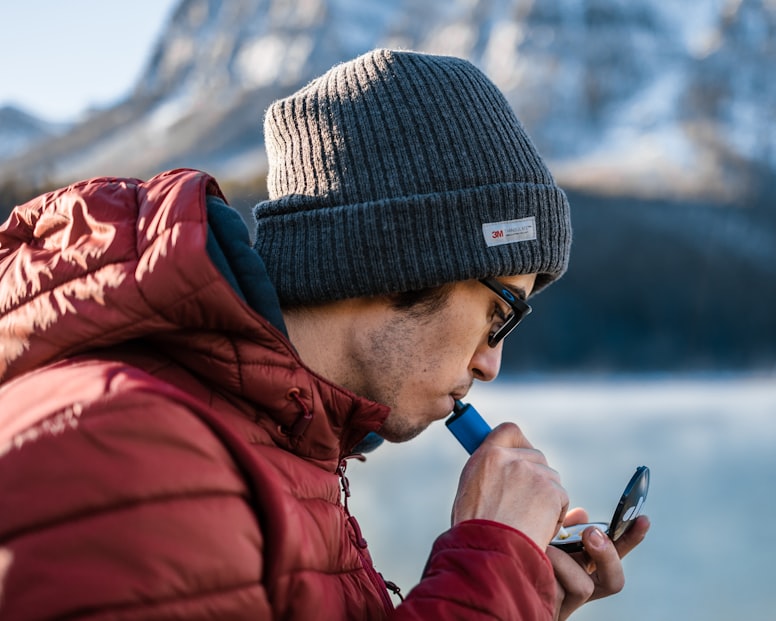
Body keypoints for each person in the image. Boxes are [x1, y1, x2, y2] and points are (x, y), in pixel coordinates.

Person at [0, 48, 649, 620]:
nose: (491, 363)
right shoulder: (130, 452)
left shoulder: (285, 451)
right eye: (500, 311)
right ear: (398, 259)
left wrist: (520, 594)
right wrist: (492, 567)